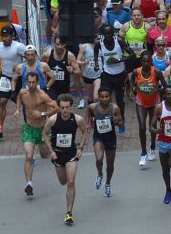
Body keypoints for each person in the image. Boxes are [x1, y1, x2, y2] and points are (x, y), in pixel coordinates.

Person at [43, 94, 87, 225]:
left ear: (71, 106)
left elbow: (85, 131)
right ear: (59, 107)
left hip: (71, 154)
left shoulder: (78, 119)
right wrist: (51, 151)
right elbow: (44, 134)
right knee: (63, 182)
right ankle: (68, 210)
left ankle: (69, 213)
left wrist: (80, 148)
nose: (65, 110)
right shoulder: (52, 120)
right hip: (58, 155)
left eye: (67, 107)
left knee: (71, 182)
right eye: (62, 107)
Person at [15, 72, 58, 198]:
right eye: (29, 82)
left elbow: (56, 107)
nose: (31, 85)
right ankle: (29, 184)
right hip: (28, 129)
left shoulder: (42, 95)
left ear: (37, 82)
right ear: (26, 82)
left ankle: (52, 146)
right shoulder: (23, 92)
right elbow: (19, 97)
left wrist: (43, 114)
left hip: (42, 130)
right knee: (29, 156)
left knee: (44, 156)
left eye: (33, 82)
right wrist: (17, 109)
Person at [0, 25, 26, 139]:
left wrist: (21, 66)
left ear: (12, 36)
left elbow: (32, 57)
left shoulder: (19, 47)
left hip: (18, 78)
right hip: (5, 77)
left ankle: (30, 126)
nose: (4, 38)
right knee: (2, 101)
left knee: (25, 103)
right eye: (2, 36)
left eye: (6, 36)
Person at [130, 52, 166, 167]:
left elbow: (165, 87)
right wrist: (132, 91)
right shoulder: (136, 72)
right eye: (144, 61)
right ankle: (143, 153)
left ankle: (152, 147)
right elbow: (131, 82)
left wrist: (158, 90)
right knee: (142, 126)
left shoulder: (157, 72)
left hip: (154, 103)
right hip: (141, 102)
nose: (146, 63)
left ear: (151, 61)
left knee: (152, 126)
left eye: (148, 61)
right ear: (141, 62)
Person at [87, 86, 123, 197]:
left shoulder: (115, 108)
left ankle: (107, 184)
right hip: (98, 137)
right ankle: (100, 175)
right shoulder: (93, 107)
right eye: (102, 97)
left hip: (111, 138)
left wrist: (117, 121)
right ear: (98, 97)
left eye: (106, 96)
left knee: (110, 165)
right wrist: (88, 123)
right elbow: (88, 112)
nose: (104, 99)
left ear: (110, 97)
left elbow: (121, 123)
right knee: (99, 159)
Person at [96, 25, 130, 135]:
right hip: (107, 75)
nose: (108, 36)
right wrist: (96, 64)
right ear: (103, 35)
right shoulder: (99, 43)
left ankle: (121, 122)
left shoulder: (119, 41)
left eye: (110, 33)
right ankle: (107, 122)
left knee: (120, 101)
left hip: (120, 75)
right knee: (105, 100)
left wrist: (119, 60)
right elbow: (96, 54)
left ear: (113, 33)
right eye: (106, 34)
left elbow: (132, 55)